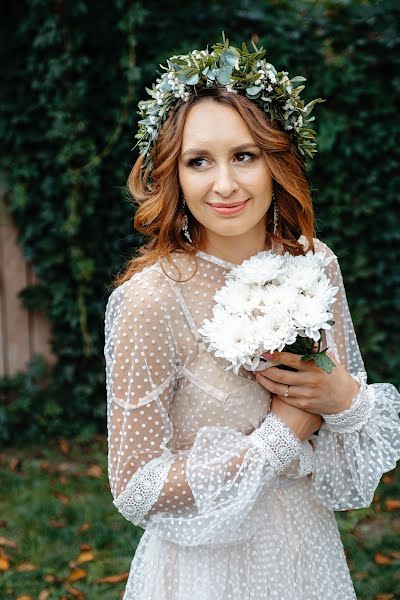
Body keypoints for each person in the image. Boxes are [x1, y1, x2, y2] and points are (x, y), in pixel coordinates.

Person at [104, 34, 400, 600]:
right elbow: (136, 488)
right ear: (173, 174)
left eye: (244, 155)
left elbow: (349, 453)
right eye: (199, 161)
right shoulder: (151, 300)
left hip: (305, 554)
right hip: (203, 571)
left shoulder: (314, 261)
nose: (225, 184)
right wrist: (280, 438)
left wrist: (342, 398)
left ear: (276, 160)